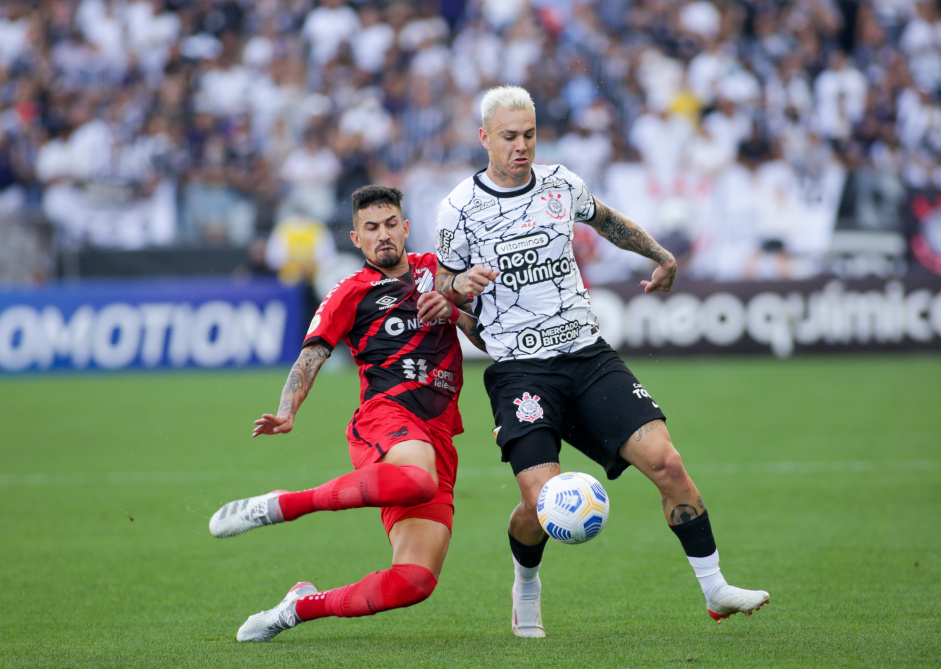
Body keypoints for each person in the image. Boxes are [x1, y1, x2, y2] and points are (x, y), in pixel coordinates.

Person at [433, 85, 769, 638]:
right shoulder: (459, 208)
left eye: (529, 135)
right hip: (521, 369)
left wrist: (661, 256)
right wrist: (457, 281)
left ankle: (715, 588)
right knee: (541, 502)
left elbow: (608, 221)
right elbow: (443, 277)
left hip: (587, 356)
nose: (522, 146)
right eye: (510, 137)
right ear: (484, 138)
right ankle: (527, 584)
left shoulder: (561, 184)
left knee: (667, 463)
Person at [209, 185, 481, 642]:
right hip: (387, 415)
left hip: (438, 434)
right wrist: (286, 411)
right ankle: (280, 505)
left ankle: (298, 608)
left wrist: (454, 311)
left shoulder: (441, 272)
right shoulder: (351, 291)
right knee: (416, 479)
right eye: (371, 228)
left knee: (414, 582)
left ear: (406, 227)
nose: (384, 235)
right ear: (357, 239)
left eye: (391, 224)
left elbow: (490, 338)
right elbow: (310, 356)